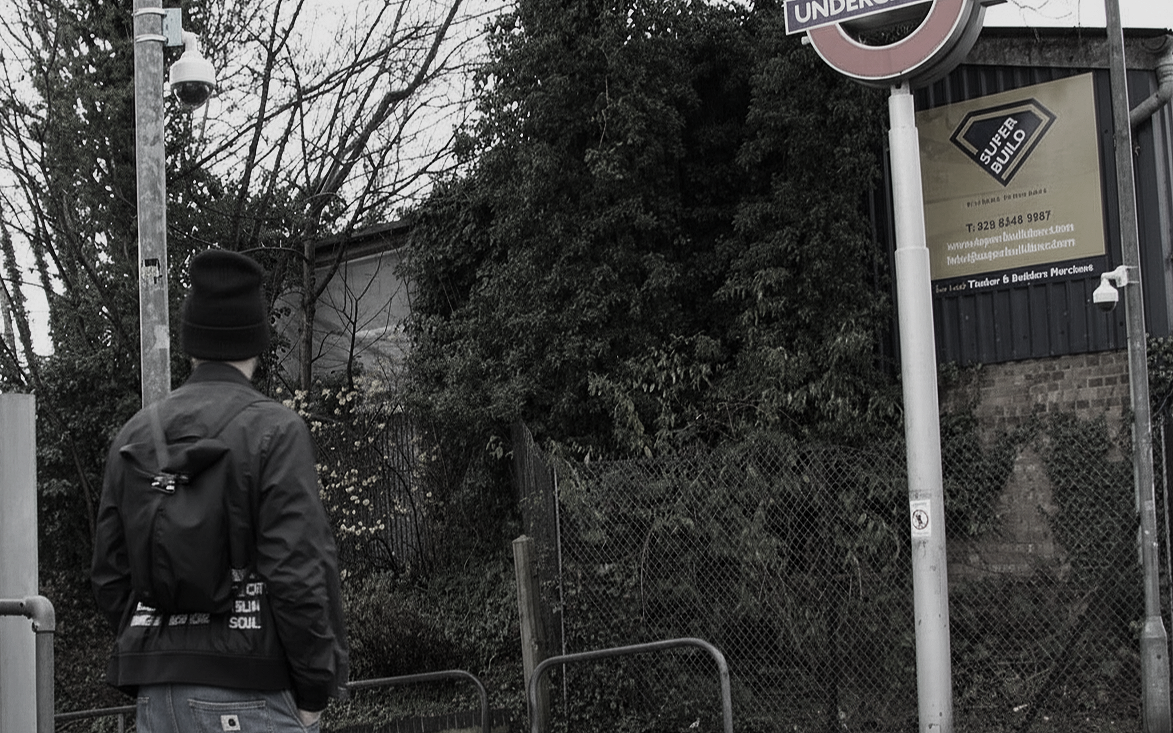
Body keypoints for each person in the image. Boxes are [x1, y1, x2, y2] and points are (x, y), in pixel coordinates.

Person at [92, 249, 348, 732]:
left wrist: (162, 653)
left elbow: (109, 576)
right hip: (254, 694)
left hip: (157, 697)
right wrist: (314, 687)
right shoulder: (276, 431)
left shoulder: (134, 436)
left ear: (191, 342)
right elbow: (296, 576)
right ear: (258, 340)